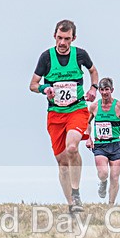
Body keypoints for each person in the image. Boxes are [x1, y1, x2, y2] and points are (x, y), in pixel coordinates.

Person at [29, 19, 99, 214]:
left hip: (76, 109)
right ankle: (72, 204)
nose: (62, 42)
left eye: (67, 39)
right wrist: (45, 88)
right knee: (61, 162)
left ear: (73, 39)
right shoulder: (46, 58)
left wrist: (94, 88)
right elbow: (33, 84)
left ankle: (76, 191)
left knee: (72, 147)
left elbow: (93, 71)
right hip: (55, 115)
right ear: (54, 36)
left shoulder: (80, 55)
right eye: (59, 38)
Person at [86, 77, 120, 205]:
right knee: (103, 173)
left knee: (114, 177)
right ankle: (103, 183)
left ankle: (111, 204)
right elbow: (86, 122)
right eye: (102, 90)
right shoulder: (94, 106)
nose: (104, 93)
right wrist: (89, 137)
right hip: (100, 145)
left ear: (112, 90)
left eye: (107, 89)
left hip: (115, 144)